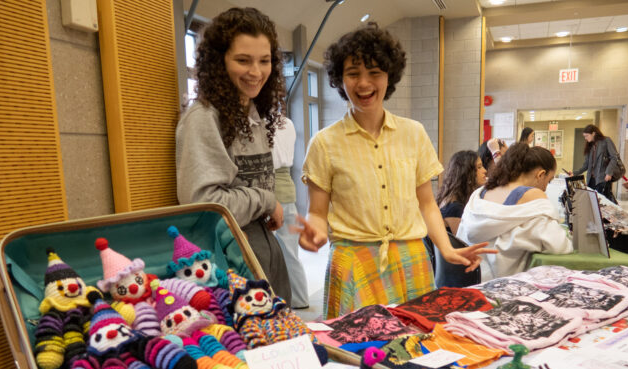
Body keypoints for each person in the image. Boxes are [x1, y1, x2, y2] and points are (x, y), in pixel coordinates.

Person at [295, 23, 493, 319]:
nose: (364, 84)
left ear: (389, 75)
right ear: (339, 79)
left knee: (415, 344)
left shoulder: (413, 133)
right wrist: (316, 232)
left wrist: (446, 249)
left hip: (410, 257)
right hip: (352, 261)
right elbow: (318, 212)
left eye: (374, 72)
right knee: (358, 351)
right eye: (353, 73)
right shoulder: (324, 143)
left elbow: (426, 202)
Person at [176, 7, 292, 304]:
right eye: (243, 60)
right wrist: (267, 200)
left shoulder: (251, 113)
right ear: (219, 62)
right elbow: (205, 206)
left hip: (263, 254)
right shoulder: (203, 118)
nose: (256, 72)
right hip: (231, 267)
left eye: (264, 61)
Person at [457, 143, 573, 281]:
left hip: (468, 277)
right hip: (502, 284)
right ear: (541, 174)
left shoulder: (481, 192)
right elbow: (559, 245)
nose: (545, 188)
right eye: (548, 181)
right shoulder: (533, 195)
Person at [431, 150, 487, 287]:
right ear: (467, 174)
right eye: (479, 167)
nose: (485, 171)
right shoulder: (454, 207)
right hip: (457, 275)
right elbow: (464, 242)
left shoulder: (451, 199)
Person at [271, 116, 310, 308]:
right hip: (288, 187)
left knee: (269, 251)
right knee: (291, 252)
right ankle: (300, 299)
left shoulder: (260, 121)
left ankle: (275, 300)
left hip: (270, 189)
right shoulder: (288, 123)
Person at [570, 124, 622, 204]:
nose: (585, 138)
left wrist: (609, 173)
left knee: (604, 202)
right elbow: (586, 165)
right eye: (584, 136)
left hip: (603, 178)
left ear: (593, 133)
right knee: (593, 202)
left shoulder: (606, 141)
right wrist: (575, 173)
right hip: (591, 179)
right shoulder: (590, 145)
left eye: (587, 136)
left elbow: (614, 157)